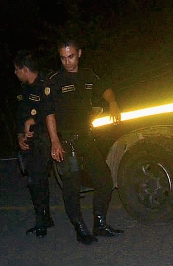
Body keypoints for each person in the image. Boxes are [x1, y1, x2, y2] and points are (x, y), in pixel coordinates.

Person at [45, 38, 122, 244]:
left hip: (86, 139)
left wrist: (113, 103)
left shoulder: (88, 75)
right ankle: (80, 229)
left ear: (79, 53)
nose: (67, 62)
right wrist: (55, 141)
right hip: (66, 141)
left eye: (70, 56)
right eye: (63, 58)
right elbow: (49, 114)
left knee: (104, 179)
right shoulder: (54, 80)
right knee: (72, 187)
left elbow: (106, 90)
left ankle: (100, 223)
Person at [13, 50, 54, 238]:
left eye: (16, 69)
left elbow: (51, 113)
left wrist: (34, 122)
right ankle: (45, 216)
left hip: (44, 141)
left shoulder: (45, 85)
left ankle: (41, 223)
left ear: (24, 68)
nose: (15, 73)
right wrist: (20, 136)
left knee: (36, 181)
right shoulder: (23, 89)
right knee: (38, 181)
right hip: (29, 143)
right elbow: (21, 116)